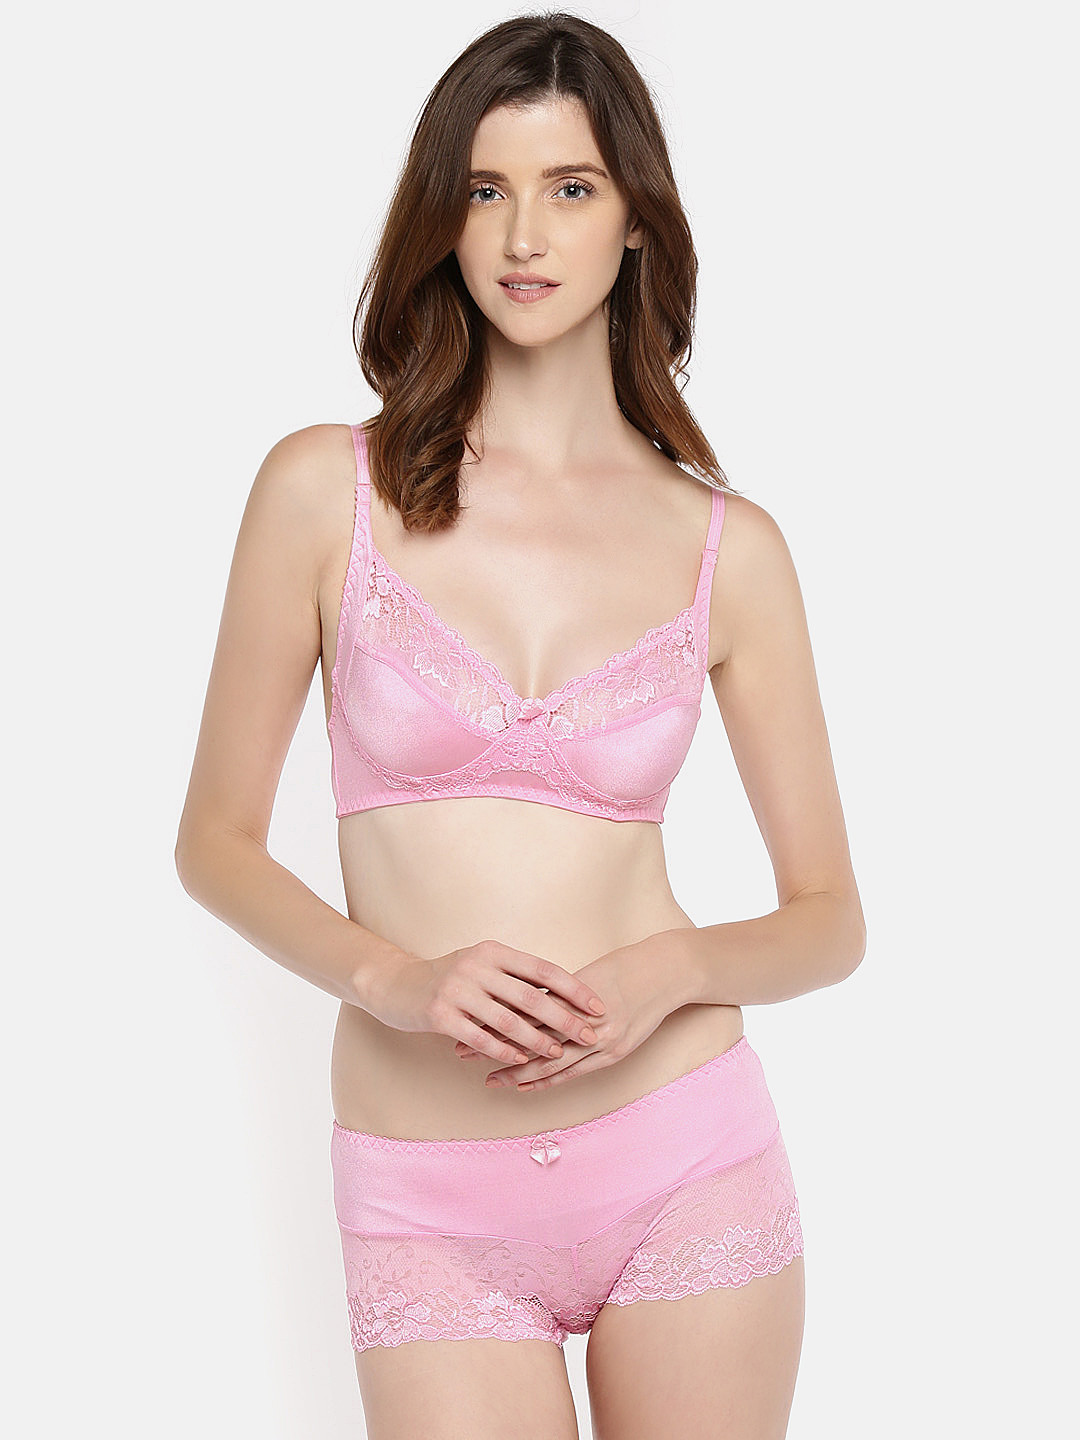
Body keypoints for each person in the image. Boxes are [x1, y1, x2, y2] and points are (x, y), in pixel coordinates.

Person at [175, 12, 866, 1438]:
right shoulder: (325, 492)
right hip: (424, 1188)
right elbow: (215, 843)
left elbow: (830, 921)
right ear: (442, 215)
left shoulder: (727, 548)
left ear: (636, 220)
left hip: (683, 1153)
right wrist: (395, 981)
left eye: (572, 187)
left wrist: (670, 970)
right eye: (485, 189)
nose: (523, 234)